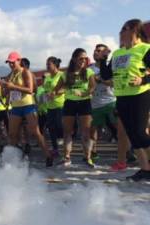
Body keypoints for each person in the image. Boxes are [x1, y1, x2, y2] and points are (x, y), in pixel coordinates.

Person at [100, 19, 150, 181]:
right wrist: (102, 60)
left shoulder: (145, 49)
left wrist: (142, 80)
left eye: (124, 29)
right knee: (132, 135)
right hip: (121, 97)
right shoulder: (117, 53)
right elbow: (107, 75)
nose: (121, 33)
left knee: (140, 133)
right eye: (120, 30)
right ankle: (145, 169)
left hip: (140, 95)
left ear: (136, 31)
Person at [2, 51, 53, 167]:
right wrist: (5, 88)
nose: (10, 65)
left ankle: (48, 155)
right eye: (9, 62)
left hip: (28, 105)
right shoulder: (10, 75)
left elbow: (30, 90)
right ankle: (12, 159)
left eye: (12, 62)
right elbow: (7, 92)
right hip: (15, 106)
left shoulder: (25, 72)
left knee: (35, 132)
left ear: (19, 61)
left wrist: (12, 86)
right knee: (12, 134)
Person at [54, 48, 96, 167]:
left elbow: (93, 87)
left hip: (85, 103)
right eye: (80, 58)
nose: (83, 61)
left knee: (86, 132)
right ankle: (67, 157)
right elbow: (57, 89)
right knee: (67, 131)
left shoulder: (88, 72)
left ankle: (87, 157)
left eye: (85, 58)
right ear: (74, 59)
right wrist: (56, 92)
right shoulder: (65, 73)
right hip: (70, 103)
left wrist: (84, 93)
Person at [88, 44, 118, 161]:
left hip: (110, 102)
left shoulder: (111, 66)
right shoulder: (89, 69)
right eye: (95, 51)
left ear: (105, 54)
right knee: (93, 129)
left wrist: (100, 79)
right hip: (95, 104)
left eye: (99, 51)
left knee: (118, 128)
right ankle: (93, 153)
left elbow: (114, 83)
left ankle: (127, 152)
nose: (96, 53)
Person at [43, 57, 65, 157]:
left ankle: (65, 142)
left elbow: (65, 88)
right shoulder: (47, 77)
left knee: (60, 126)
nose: (47, 66)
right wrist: (46, 95)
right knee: (51, 128)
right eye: (46, 64)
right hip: (49, 106)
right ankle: (55, 149)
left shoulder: (62, 75)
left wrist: (55, 93)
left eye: (49, 64)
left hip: (60, 105)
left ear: (55, 65)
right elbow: (45, 89)